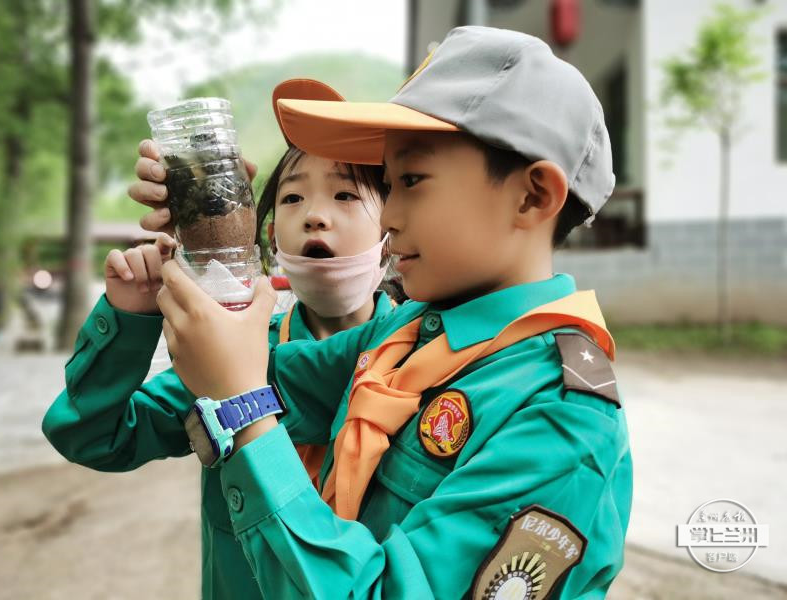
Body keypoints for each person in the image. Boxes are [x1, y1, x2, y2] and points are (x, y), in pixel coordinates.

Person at [156, 26, 633, 599]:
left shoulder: (561, 421)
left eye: (411, 181)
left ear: (532, 196)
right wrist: (209, 248)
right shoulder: (402, 336)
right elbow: (131, 421)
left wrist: (242, 410)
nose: (387, 217)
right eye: (386, 184)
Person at [42, 80, 396, 599]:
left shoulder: (419, 356)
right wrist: (131, 319)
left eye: (346, 194)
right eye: (294, 197)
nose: (316, 214)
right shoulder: (223, 352)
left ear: (394, 231)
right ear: (270, 237)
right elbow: (91, 435)